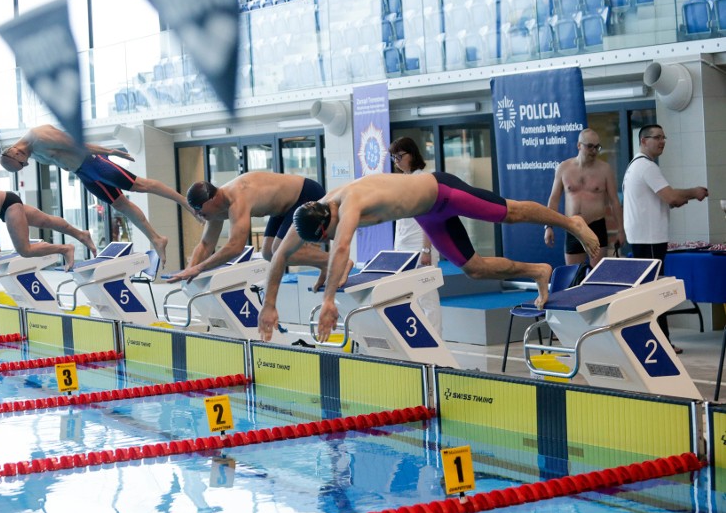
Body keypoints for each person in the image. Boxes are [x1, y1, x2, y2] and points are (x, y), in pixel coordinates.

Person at [257, 172, 600, 343]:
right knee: (475, 269)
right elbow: (277, 257)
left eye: (328, 233)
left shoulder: (348, 205)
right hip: (428, 214)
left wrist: (330, 301)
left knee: (509, 214)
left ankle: (571, 222)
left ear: (328, 218)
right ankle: (539, 271)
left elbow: (344, 249)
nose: (331, 237)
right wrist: (269, 304)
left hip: (443, 192)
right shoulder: (312, 216)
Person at [0, 124, 199, 266]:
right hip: (83, 174)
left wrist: (111, 152)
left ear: (16, 153)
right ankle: (156, 239)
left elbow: (78, 145)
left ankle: (185, 202)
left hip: (94, 164)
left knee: (140, 185)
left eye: (22, 163)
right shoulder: (31, 152)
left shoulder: (40, 136)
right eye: (23, 166)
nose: (26, 164)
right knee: (120, 205)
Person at [167, 173, 340, 287]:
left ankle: (336, 261)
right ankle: (326, 262)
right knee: (268, 253)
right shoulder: (215, 211)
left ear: (212, 200)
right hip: (282, 208)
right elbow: (205, 244)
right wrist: (189, 270)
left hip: (305, 194)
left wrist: (200, 268)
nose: (198, 214)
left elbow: (236, 246)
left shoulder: (237, 198)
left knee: (278, 251)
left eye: (199, 209)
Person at [622, 124, 708, 353]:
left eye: (664, 137)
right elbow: (670, 196)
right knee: (653, 293)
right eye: (656, 137)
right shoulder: (646, 167)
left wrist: (680, 198)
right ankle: (660, 343)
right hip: (648, 240)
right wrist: (694, 192)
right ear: (643, 141)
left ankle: (656, 341)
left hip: (643, 238)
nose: (662, 141)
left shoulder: (636, 165)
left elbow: (669, 200)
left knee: (650, 291)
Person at [545, 128, 625, 267]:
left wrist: (620, 231)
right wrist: (548, 226)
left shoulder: (604, 169)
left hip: (596, 225)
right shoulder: (563, 168)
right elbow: (554, 199)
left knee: (596, 275)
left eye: (597, 147)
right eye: (590, 146)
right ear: (579, 145)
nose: (594, 151)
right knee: (574, 275)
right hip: (573, 226)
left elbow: (614, 202)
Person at [389, 137, 442, 333]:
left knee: (427, 297)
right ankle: (419, 340)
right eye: (393, 157)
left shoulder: (423, 179)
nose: (396, 161)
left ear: (412, 154)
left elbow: (429, 218)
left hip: (420, 247)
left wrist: (426, 249)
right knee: (409, 298)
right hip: (403, 248)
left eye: (400, 156)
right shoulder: (402, 180)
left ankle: (436, 342)